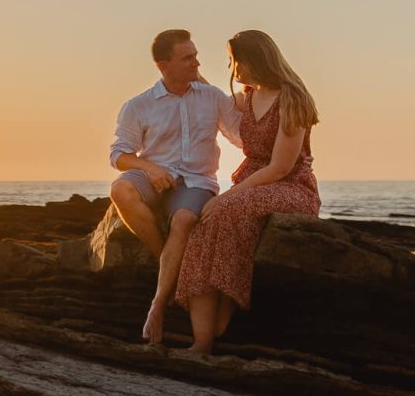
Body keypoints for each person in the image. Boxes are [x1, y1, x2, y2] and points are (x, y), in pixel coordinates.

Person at [173, 30, 321, 354]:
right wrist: (190, 71)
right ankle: (202, 340)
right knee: (203, 226)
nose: (232, 68)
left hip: (291, 186)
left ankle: (228, 304)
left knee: (228, 209)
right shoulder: (247, 95)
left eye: (234, 60)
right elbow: (215, 103)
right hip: (251, 182)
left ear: (254, 59)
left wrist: (228, 195)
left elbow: (281, 167)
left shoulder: (293, 99)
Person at [107, 28, 245, 345]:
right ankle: (165, 260)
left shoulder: (212, 98)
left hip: (197, 182)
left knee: (183, 220)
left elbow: (240, 137)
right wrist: (148, 167)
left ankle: (158, 303)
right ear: (163, 65)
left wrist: (245, 101)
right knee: (120, 191)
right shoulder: (138, 105)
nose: (197, 62)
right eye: (188, 58)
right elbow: (118, 154)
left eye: (196, 55)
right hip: (154, 177)